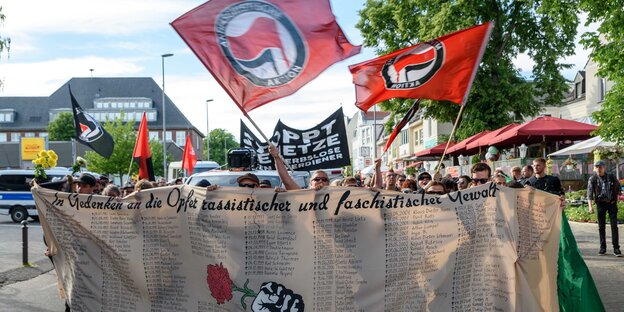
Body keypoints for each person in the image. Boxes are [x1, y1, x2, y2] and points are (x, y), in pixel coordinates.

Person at [587, 160, 621, 256]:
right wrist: (590, 207)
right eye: (597, 167)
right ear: (595, 168)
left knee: (614, 226)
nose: (599, 169)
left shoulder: (611, 176)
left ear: (604, 167)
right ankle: (603, 248)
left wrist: (617, 197)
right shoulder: (592, 179)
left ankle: (616, 248)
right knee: (601, 227)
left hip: (612, 203)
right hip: (600, 204)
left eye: (600, 167)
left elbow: (618, 187)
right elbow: (589, 194)